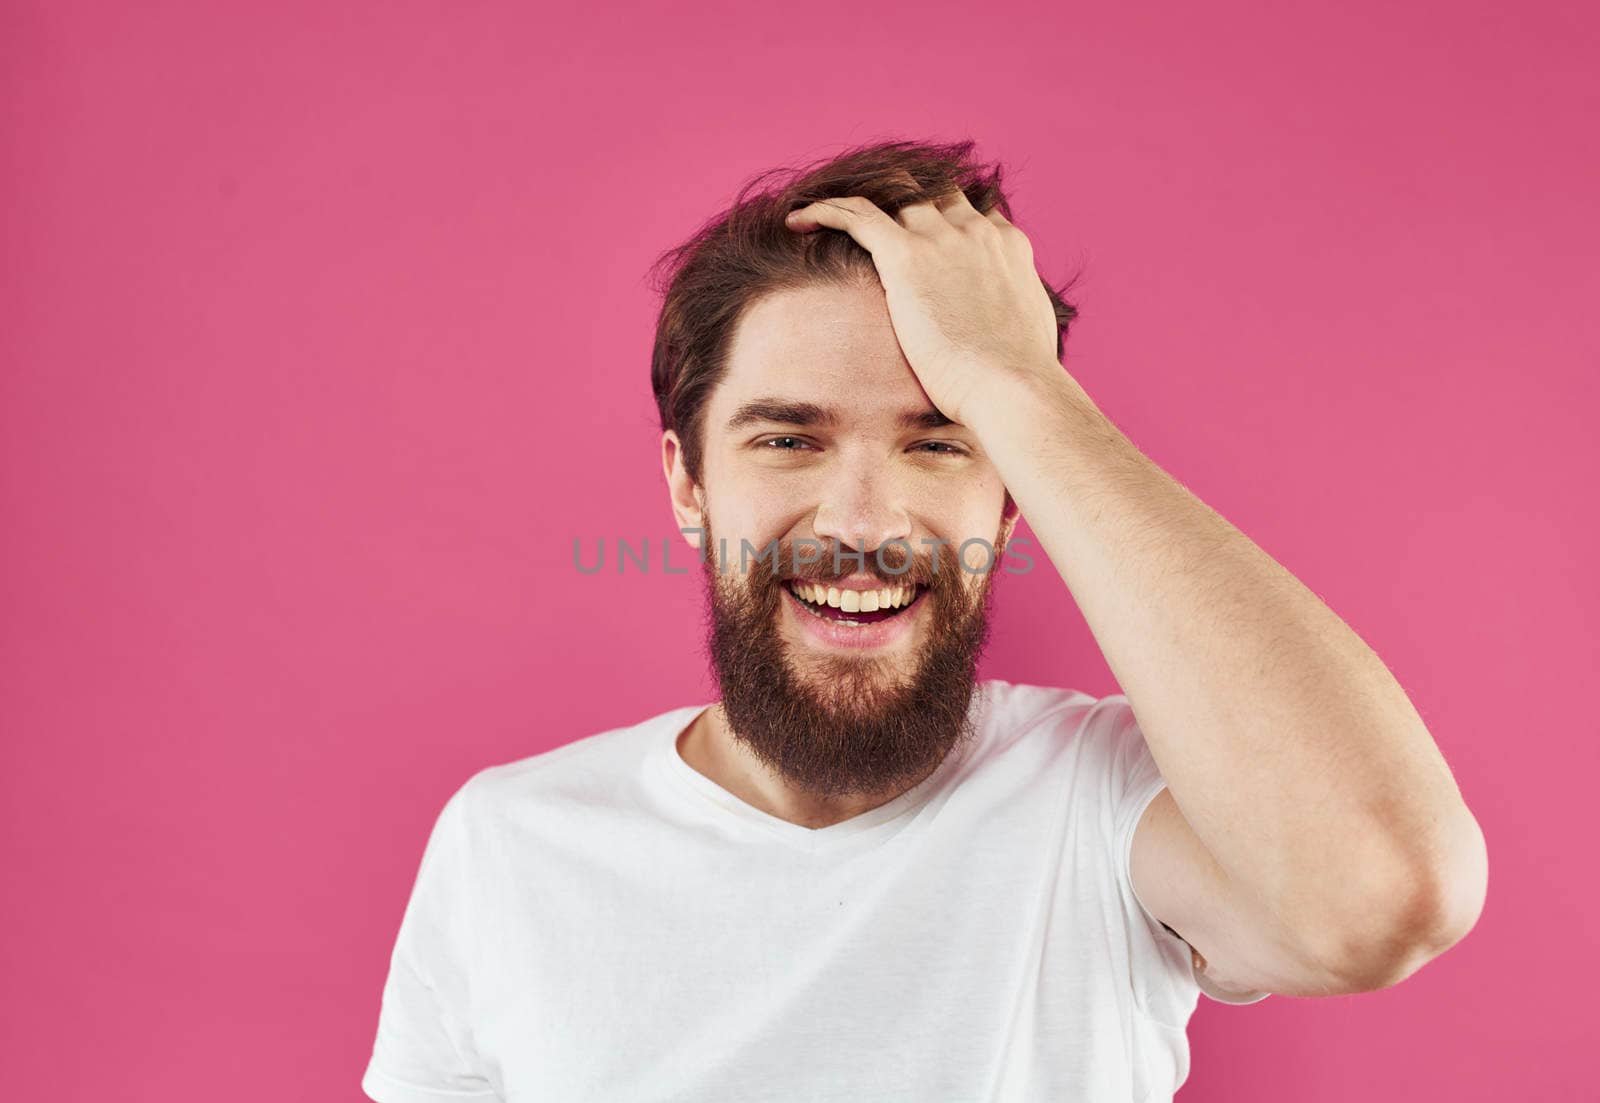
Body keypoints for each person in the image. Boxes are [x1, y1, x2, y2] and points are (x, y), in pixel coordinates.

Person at [361, 139, 1487, 1102]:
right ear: (686, 487)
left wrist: (1014, 381)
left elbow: (1385, 892)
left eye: (937, 439)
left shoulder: (1107, 807)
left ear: (1009, 503)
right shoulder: (506, 843)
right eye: (788, 438)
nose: (861, 520)